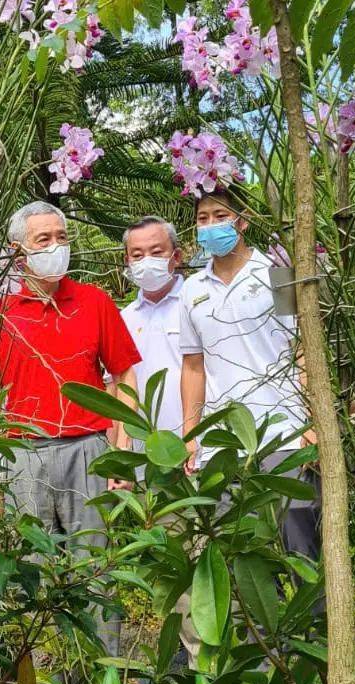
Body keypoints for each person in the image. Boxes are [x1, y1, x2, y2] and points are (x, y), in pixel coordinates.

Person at [0, 199, 140, 652]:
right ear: (18, 252)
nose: (56, 247)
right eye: (43, 240)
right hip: (21, 457)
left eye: (62, 238)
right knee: (26, 575)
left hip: (88, 450)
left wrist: (120, 448)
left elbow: (124, 373)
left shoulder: (93, 301)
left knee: (95, 572)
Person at [178, 187, 320, 560]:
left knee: (300, 549)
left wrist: (310, 421)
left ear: (242, 221)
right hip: (221, 445)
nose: (210, 226)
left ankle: (318, 621)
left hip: (282, 434)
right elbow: (193, 366)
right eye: (202, 219)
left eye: (220, 217)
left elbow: (302, 350)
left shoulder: (277, 273)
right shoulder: (191, 289)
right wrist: (190, 435)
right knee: (239, 558)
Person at [121, 217, 184, 435]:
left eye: (156, 253)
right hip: (143, 447)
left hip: (199, 442)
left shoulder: (196, 304)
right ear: (127, 260)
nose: (147, 261)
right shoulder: (124, 318)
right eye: (137, 255)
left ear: (176, 256)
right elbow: (116, 385)